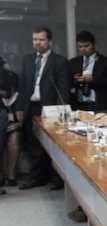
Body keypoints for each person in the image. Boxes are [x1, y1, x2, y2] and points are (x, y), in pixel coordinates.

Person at [17, 26, 70, 190]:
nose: (37, 43)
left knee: (53, 145)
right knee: (33, 144)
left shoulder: (60, 61)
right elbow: (23, 85)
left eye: (41, 39)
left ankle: (56, 178)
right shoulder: (28, 59)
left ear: (50, 41)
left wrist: (61, 110)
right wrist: (20, 107)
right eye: (35, 39)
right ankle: (37, 177)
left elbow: (63, 89)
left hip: (51, 109)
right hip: (31, 106)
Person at [68, 31, 107, 112]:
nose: (83, 49)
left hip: (99, 104)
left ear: (94, 44)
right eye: (80, 47)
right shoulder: (74, 62)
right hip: (79, 104)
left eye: (86, 46)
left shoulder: (106, 61)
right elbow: (67, 82)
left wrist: (93, 79)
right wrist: (74, 79)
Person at [0, 63, 20, 187]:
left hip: (16, 127)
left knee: (14, 137)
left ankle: (11, 174)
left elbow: (24, 116)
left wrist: (19, 124)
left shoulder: (20, 97)